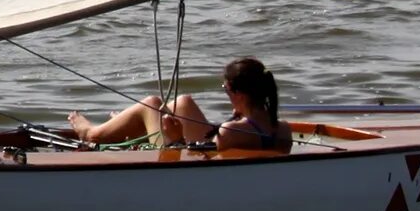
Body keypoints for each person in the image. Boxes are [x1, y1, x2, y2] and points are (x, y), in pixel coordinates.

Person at [65, 55, 292, 152]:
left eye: (226, 90)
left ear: (239, 94)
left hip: (177, 153)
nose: (225, 94)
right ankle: (130, 122)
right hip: (239, 137)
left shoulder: (231, 131)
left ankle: (90, 132)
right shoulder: (283, 128)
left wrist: (176, 139)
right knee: (183, 102)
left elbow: (195, 164)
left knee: (151, 104)